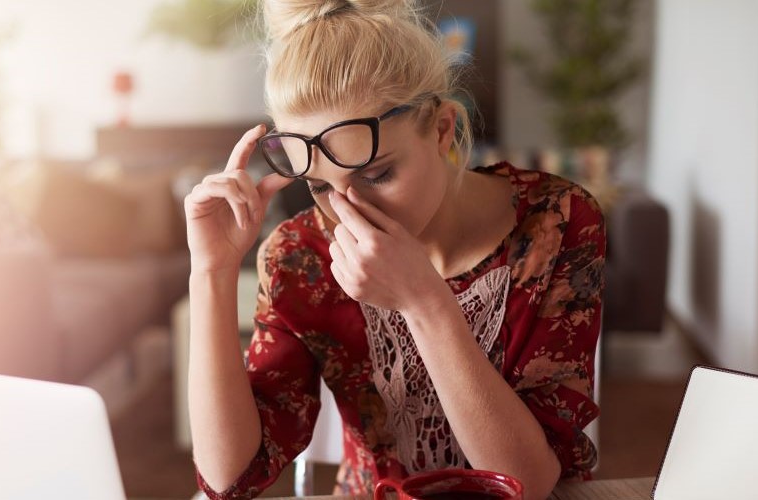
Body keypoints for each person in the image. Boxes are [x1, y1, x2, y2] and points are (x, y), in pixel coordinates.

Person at [183, 1, 605, 499]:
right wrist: (210, 272)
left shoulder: (555, 221)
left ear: (444, 129)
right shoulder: (301, 255)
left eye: (377, 174)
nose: (350, 212)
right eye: (320, 186)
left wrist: (424, 302)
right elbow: (229, 478)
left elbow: (527, 484)